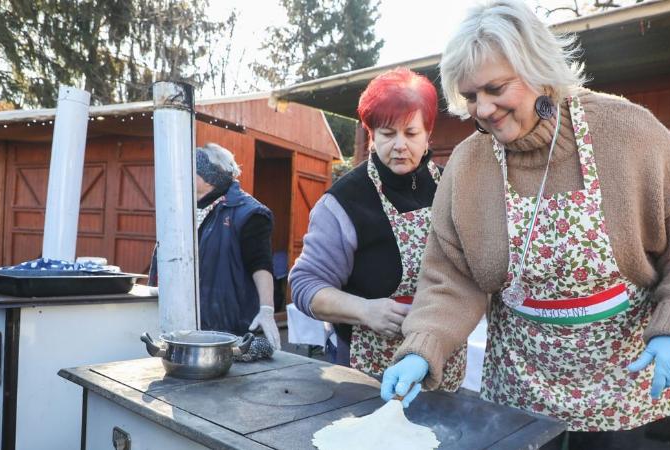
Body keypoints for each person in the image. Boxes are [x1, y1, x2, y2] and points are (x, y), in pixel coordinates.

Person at [379, 0, 670, 446]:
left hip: (619, 381)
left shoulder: (627, 131)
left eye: (495, 88)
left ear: (537, 66)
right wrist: (423, 344)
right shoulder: (468, 165)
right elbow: (451, 277)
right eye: (470, 96)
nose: (482, 109)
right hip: (519, 383)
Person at [289, 68, 467, 389]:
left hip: (441, 356)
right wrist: (365, 310)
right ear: (371, 135)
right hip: (367, 364)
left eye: (411, 133)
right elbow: (304, 285)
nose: (400, 145)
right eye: (387, 133)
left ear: (428, 134)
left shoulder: (453, 188)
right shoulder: (345, 201)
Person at [150, 143, 281, 350]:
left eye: (191, 169)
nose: (182, 174)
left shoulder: (249, 213)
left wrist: (266, 308)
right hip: (185, 322)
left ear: (209, 177)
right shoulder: (182, 209)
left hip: (229, 329)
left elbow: (261, 263)